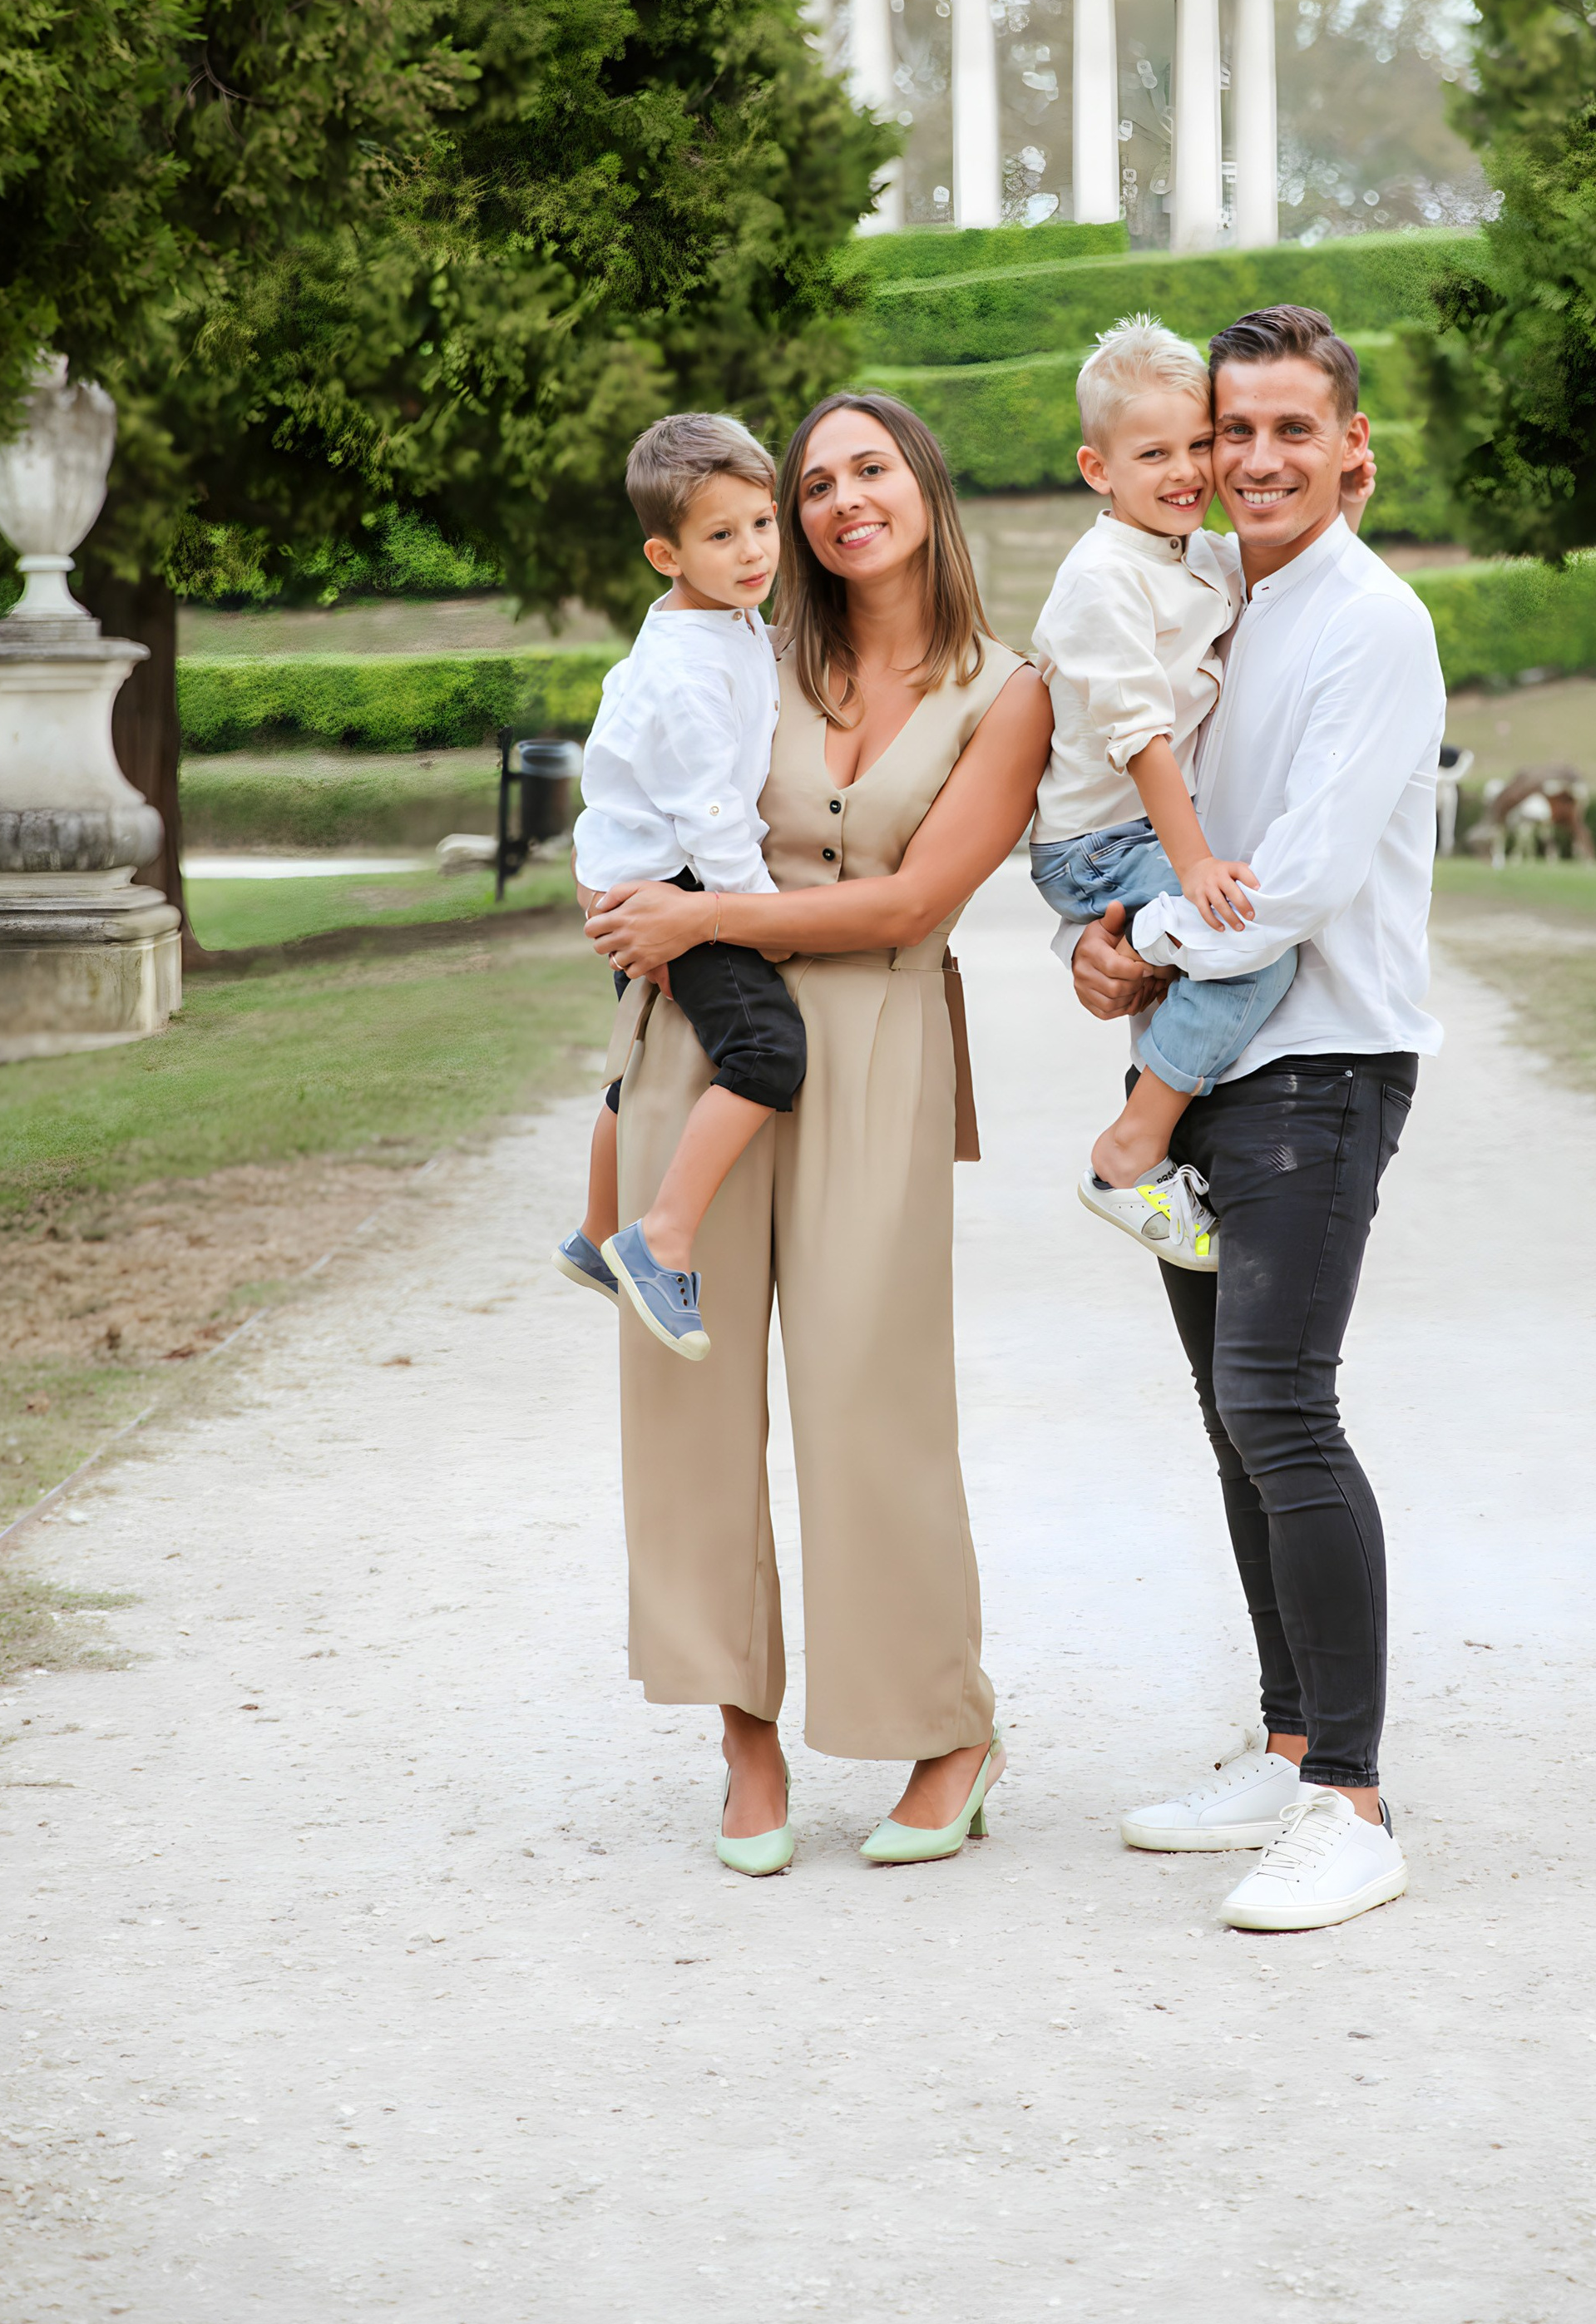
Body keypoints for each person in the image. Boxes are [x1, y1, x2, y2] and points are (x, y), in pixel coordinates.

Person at [585, 393, 1054, 1880]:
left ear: (925, 479)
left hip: (881, 1037)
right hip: (703, 1044)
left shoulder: (1008, 687)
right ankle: (743, 1733)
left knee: (872, 1392)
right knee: (689, 1404)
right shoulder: (734, 649)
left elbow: (918, 903)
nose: (843, 500)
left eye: (871, 470)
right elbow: (640, 811)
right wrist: (641, 921)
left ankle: (946, 1727)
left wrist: (705, 909)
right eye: (814, 481)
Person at [1062, 304, 1445, 1936]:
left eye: (1295, 428)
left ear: (1350, 445)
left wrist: (1131, 943)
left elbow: (1284, 881)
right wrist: (1119, 934)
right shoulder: (1225, 599)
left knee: (1282, 1407)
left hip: (1324, 1065)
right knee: (1234, 1418)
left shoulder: (1372, 624)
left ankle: (1348, 1800)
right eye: (1234, 432)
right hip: (1221, 1066)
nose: (1258, 457)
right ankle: (1286, 1740)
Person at [1025, 314, 1293, 1270]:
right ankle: (1129, 1150)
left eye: (1196, 445)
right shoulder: (1101, 577)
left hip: (1142, 828)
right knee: (1251, 944)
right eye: (1153, 454)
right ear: (1098, 469)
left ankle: (1161, 1089)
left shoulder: (1192, 551)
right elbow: (1139, 739)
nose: (1185, 471)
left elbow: (1281, 576)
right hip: (1100, 839)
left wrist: (1341, 508)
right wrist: (1193, 866)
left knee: (1226, 938)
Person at [553, 413, 808, 1363]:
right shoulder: (683, 677)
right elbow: (712, 818)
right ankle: (654, 1238)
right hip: (670, 880)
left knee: (643, 1064)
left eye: (760, 524)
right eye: (720, 535)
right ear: (665, 551)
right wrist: (764, 925)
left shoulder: (723, 623)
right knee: (766, 1049)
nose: (751, 552)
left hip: (639, 871)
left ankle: (591, 1231)